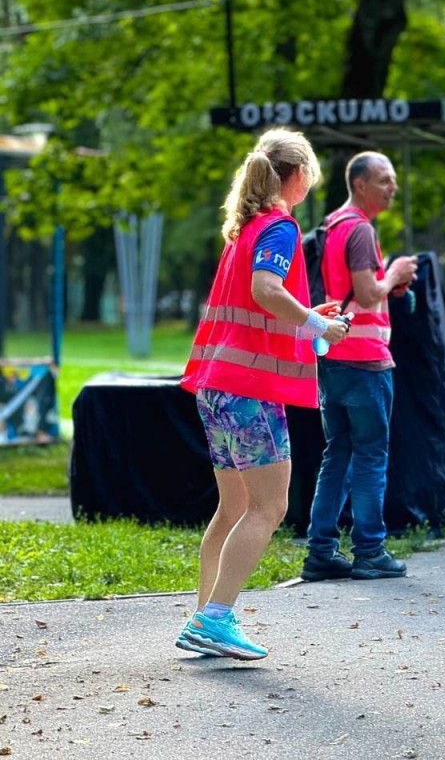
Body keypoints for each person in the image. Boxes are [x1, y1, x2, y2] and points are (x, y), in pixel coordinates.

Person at [178, 128, 350, 660]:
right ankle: (215, 618)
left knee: (233, 508)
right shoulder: (279, 228)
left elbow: (257, 308)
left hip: (217, 386)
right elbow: (266, 291)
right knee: (269, 508)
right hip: (249, 392)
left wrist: (303, 320)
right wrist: (318, 328)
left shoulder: (244, 230)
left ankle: (202, 617)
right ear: (297, 178)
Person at [301, 151, 418, 583]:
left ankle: (321, 551)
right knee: (370, 456)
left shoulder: (331, 225)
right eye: (384, 180)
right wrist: (395, 272)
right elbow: (368, 294)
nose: (392, 188)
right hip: (366, 362)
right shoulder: (362, 230)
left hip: (332, 358)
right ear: (360, 185)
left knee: (338, 455)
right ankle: (369, 550)